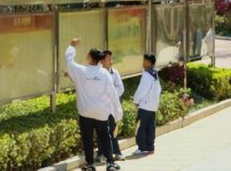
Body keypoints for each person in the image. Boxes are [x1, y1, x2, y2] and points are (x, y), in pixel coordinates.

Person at [64, 38, 122, 171]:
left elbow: (69, 60)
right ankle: (110, 163)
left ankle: (90, 164)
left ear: (89, 57)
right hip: (101, 112)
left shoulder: (81, 71)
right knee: (104, 137)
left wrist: (72, 46)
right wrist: (117, 113)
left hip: (85, 112)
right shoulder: (105, 74)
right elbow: (112, 94)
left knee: (87, 138)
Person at [96, 50, 125, 163]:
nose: (111, 61)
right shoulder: (97, 73)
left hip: (112, 107)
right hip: (101, 107)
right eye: (109, 59)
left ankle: (116, 152)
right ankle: (101, 154)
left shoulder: (115, 72)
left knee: (113, 130)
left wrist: (112, 95)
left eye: (111, 58)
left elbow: (120, 87)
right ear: (102, 60)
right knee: (102, 131)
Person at [133, 53, 161, 156]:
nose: (143, 63)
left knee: (140, 127)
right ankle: (150, 147)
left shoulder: (147, 74)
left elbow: (142, 89)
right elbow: (158, 90)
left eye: (144, 61)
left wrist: (136, 100)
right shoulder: (155, 73)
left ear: (149, 62)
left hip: (145, 106)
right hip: (153, 107)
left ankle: (142, 148)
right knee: (150, 127)